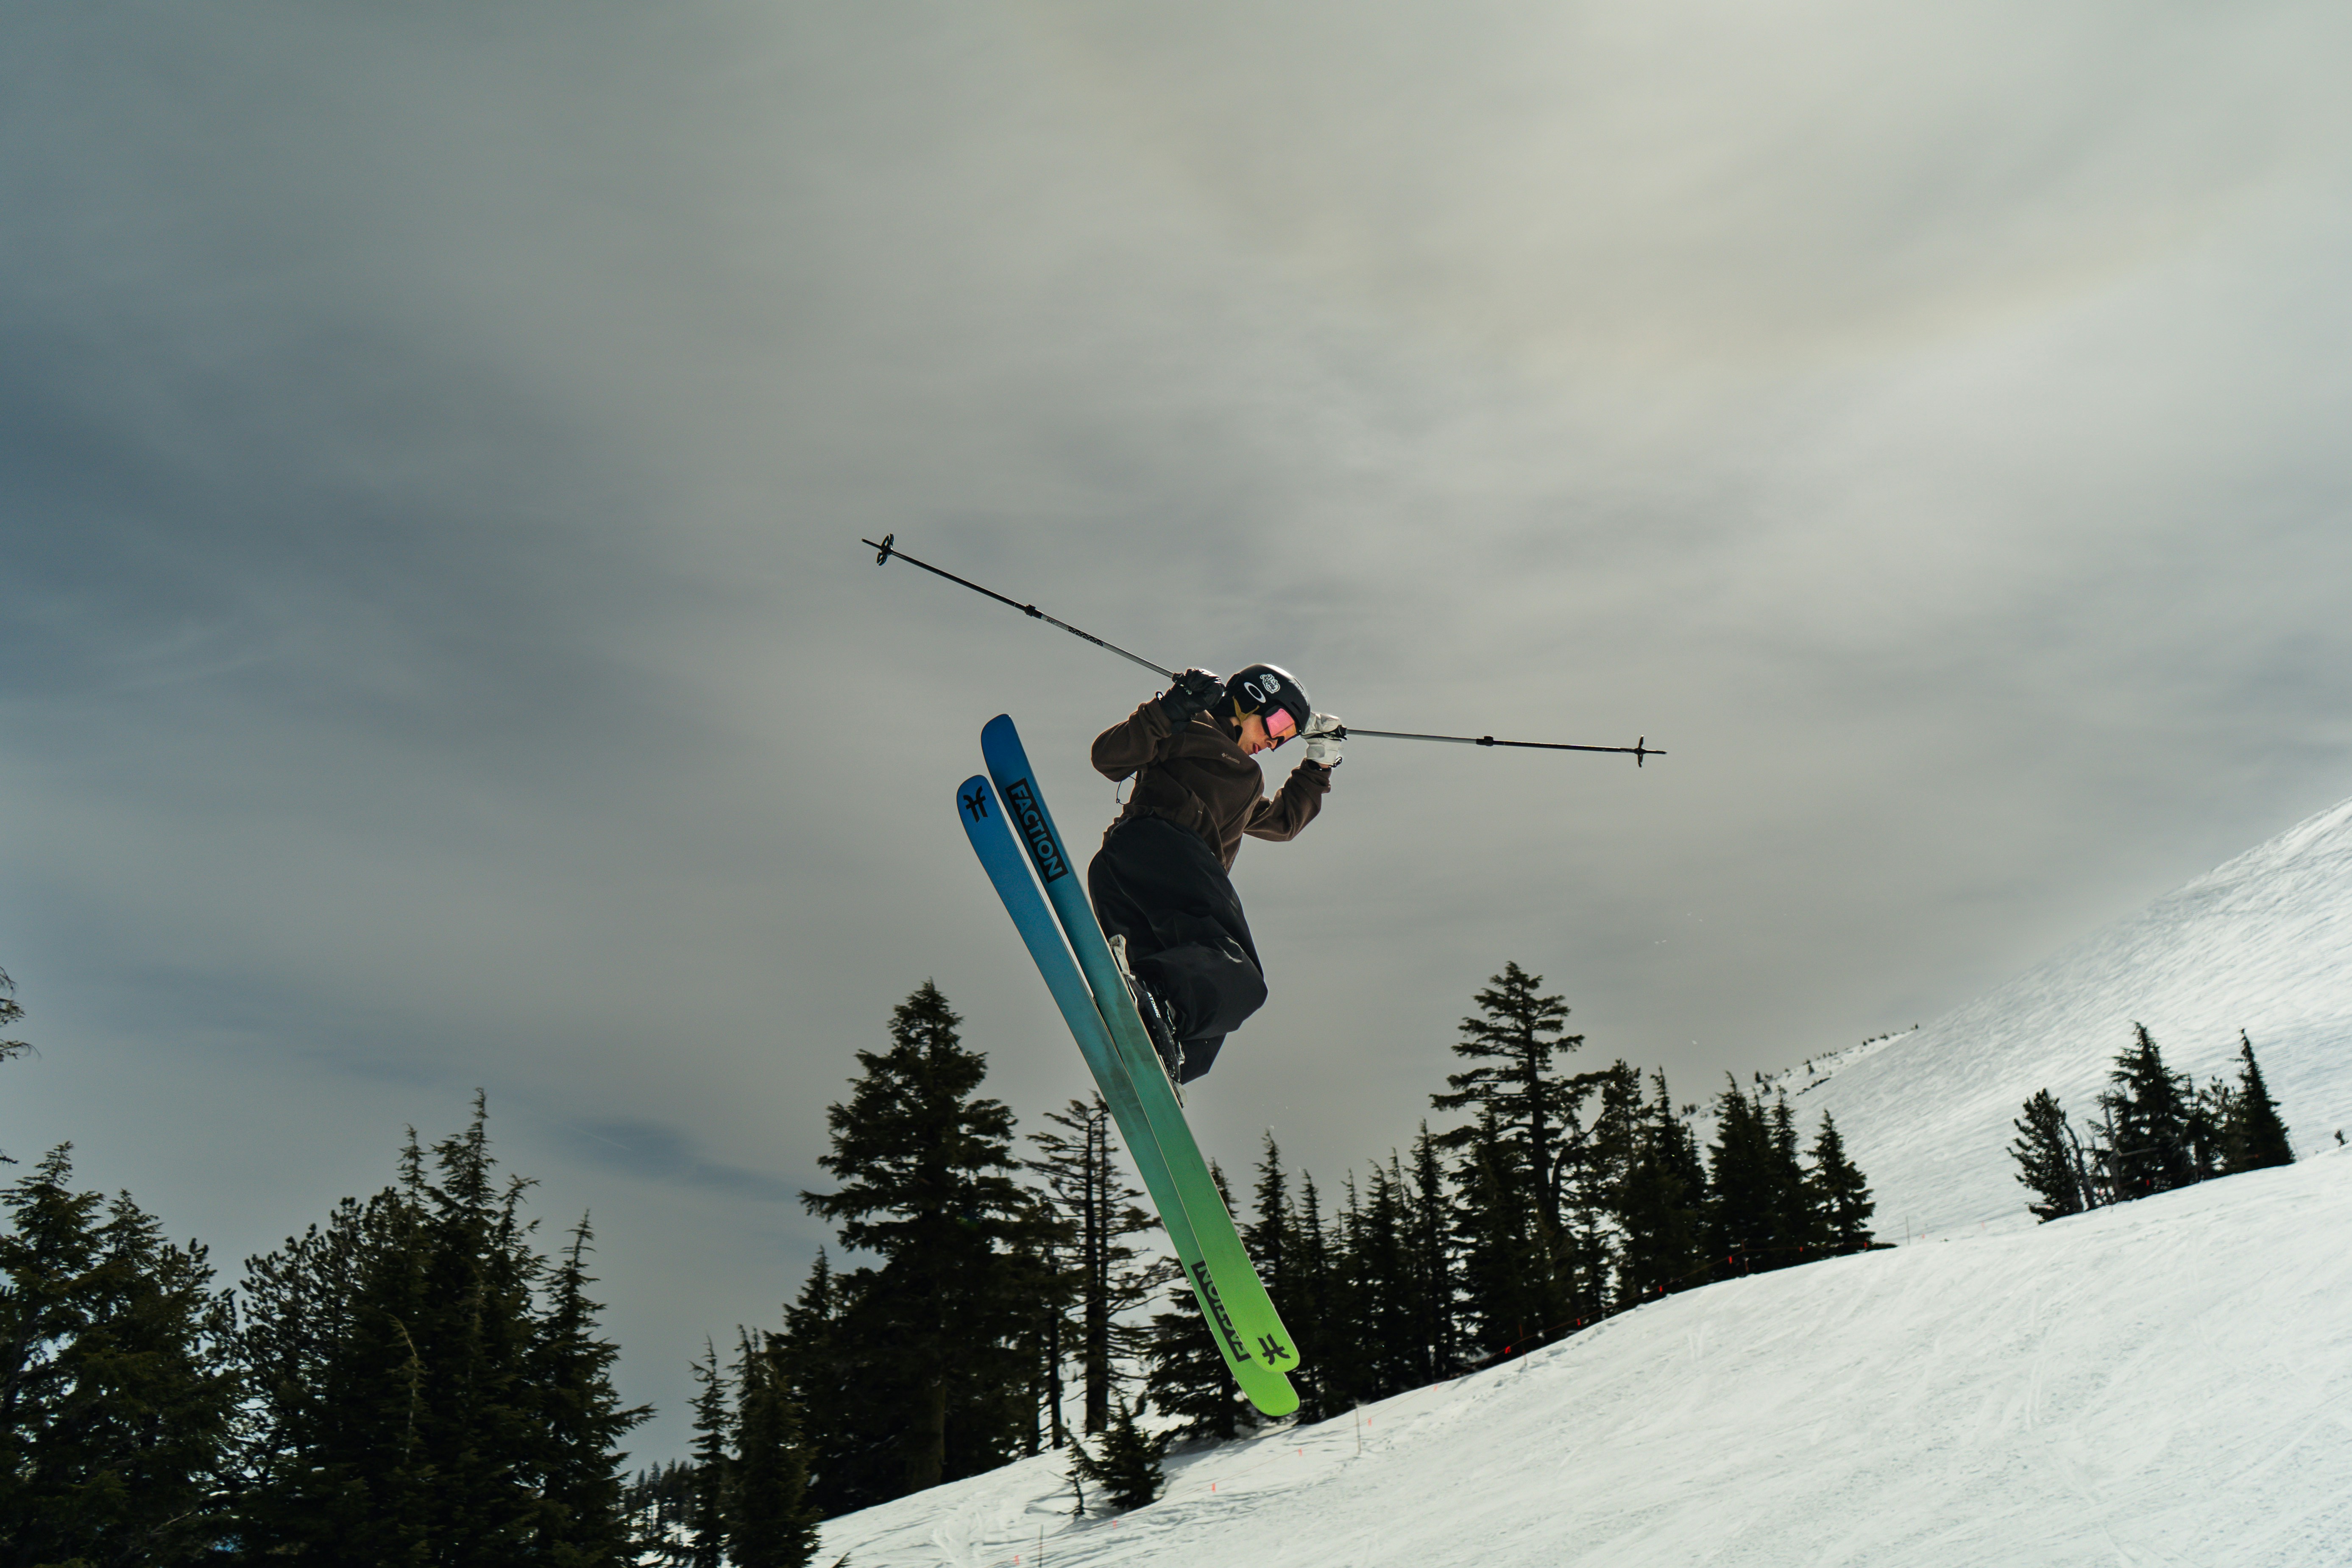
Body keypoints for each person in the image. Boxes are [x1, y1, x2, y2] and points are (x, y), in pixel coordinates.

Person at [1088, 663, 1340, 1088]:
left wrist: (1318, 765)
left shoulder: (1243, 783)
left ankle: (1157, 1061)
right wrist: (1171, 709)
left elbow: (1282, 822)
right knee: (1236, 974)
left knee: (1207, 1028)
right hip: (1158, 847)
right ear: (1252, 699)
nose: (1274, 741)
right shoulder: (1191, 729)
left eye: (1287, 737)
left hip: (1141, 886)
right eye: (1278, 723)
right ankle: (1156, 999)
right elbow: (1108, 757)